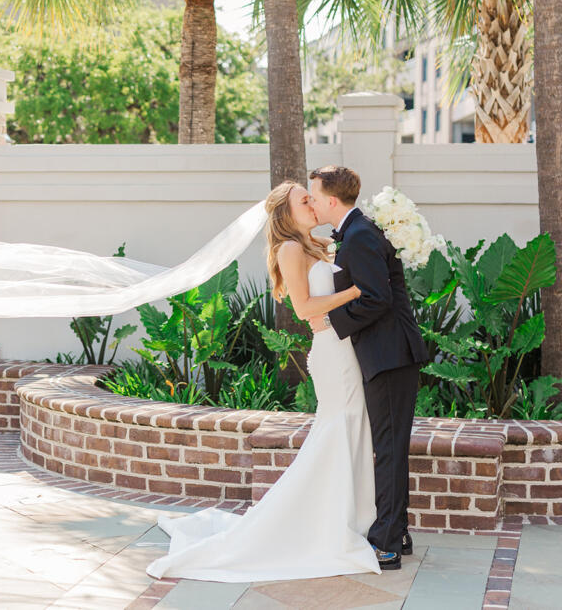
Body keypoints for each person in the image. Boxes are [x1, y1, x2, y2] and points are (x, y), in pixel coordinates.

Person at [145, 180, 382, 582]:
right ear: (286, 215)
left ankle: (350, 518)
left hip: (344, 348)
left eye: (310, 197)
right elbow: (305, 309)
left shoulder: (320, 244)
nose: (310, 203)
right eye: (302, 200)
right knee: (338, 429)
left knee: (351, 427)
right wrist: (357, 291)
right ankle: (329, 523)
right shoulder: (290, 249)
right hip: (330, 351)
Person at [308, 165, 430, 571]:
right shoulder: (356, 232)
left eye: (314, 194)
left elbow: (377, 298)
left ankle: (387, 543)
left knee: (389, 450)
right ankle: (399, 532)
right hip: (386, 354)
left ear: (330, 199)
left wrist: (331, 322)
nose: (310, 201)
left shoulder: (359, 236)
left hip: (390, 356)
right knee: (389, 448)